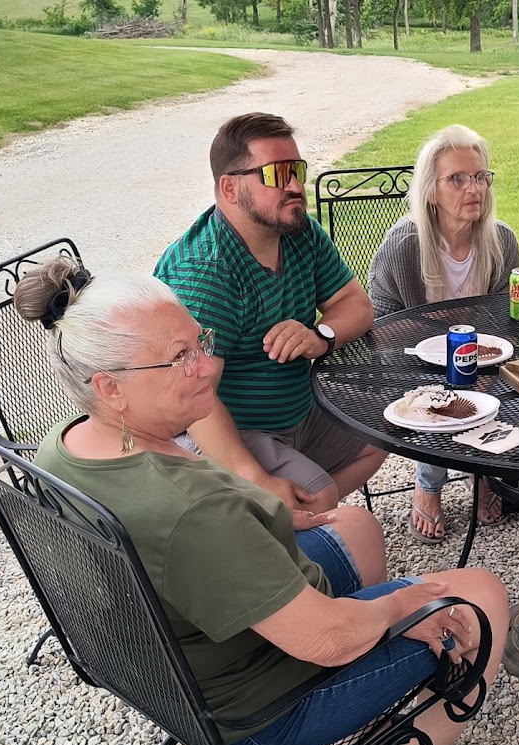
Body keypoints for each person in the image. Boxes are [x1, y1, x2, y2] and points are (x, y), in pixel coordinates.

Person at [15, 259, 512, 745]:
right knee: (481, 595)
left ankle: (366, 723)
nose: (207, 366)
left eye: (199, 342)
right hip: (257, 714)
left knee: (354, 525)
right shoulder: (192, 511)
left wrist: (261, 521)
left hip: (180, 663)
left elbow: (197, 544)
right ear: (110, 386)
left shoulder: (68, 444)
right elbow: (327, 639)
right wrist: (402, 608)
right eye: (180, 358)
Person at [155, 112, 386, 516]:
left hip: (299, 411)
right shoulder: (207, 272)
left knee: (380, 433)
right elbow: (193, 397)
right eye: (277, 174)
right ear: (229, 187)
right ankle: (281, 526)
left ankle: (279, 524)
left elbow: (356, 304)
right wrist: (256, 478)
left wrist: (321, 336)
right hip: (228, 429)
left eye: (297, 170)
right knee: (316, 495)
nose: (295, 186)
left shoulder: (299, 232)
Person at [367, 124, 519, 543]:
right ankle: (429, 484)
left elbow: (507, 322)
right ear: (431, 191)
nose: (474, 189)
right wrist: (452, 328)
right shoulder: (403, 245)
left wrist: (469, 349)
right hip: (411, 367)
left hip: (484, 359)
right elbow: (380, 330)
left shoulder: (502, 241)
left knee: (498, 383)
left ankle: (483, 472)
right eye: (457, 179)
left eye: (480, 177)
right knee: (443, 389)